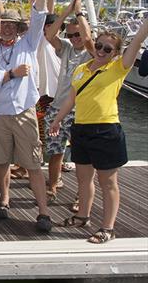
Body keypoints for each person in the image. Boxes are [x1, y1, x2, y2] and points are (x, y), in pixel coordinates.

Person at [50, 18, 148, 244]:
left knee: (108, 182)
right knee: (83, 179)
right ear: (94, 45)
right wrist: (57, 120)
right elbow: (72, 98)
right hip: (81, 129)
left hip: (106, 130)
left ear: (115, 53)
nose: (102, 50)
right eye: (99, 45)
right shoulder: (82, 69)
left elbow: (137, 41)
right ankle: (82, 215)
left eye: (108, 49)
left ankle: (108, 228)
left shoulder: (117, 68)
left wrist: (143, 29)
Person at [0, 0, 53, 233]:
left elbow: (39, 17)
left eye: (12, 23)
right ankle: (4, 200)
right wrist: (10, 74)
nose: (8, 26)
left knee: (33, 163)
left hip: (24, 112)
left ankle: (43, 212)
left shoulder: (28, 43)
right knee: (0, 160)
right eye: (4, 23)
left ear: (18, 27)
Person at [42, 0, 93, 201]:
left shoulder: (92, 52)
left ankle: (82, 198)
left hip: (81, 112)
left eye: (77, 34)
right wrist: (66, 12)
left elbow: (89, 39)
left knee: (83, 157)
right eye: (71, 35)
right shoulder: (67, 49)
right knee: (55, 152)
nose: (75, 38)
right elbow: (49, 36)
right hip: (58, 109)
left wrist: (79, 11)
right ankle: (53, 186)